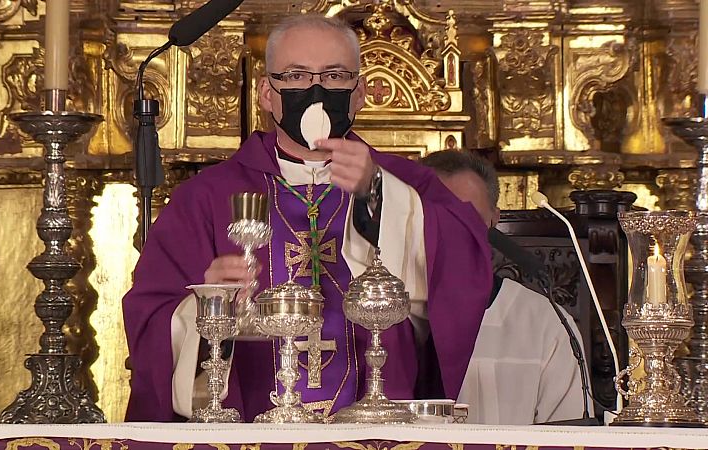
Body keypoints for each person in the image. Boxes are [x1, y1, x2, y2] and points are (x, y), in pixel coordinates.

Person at [122, 14, 494, 422]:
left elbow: (466, 267)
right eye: (296, 75)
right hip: (251, 432)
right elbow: (149, 322)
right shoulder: (205, 198)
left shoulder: (407, 184)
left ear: (359, 92)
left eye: (335, 76)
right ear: (267, 92)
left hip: (375, 431)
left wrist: (380, 195)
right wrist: (209, 306)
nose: (316, 90)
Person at [420, 150, 590, 424]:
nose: (450, 231)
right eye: (436, 215)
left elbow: (568, 437)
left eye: (466, 217)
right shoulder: (376, 315)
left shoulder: (545, 324)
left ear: (493, 220)